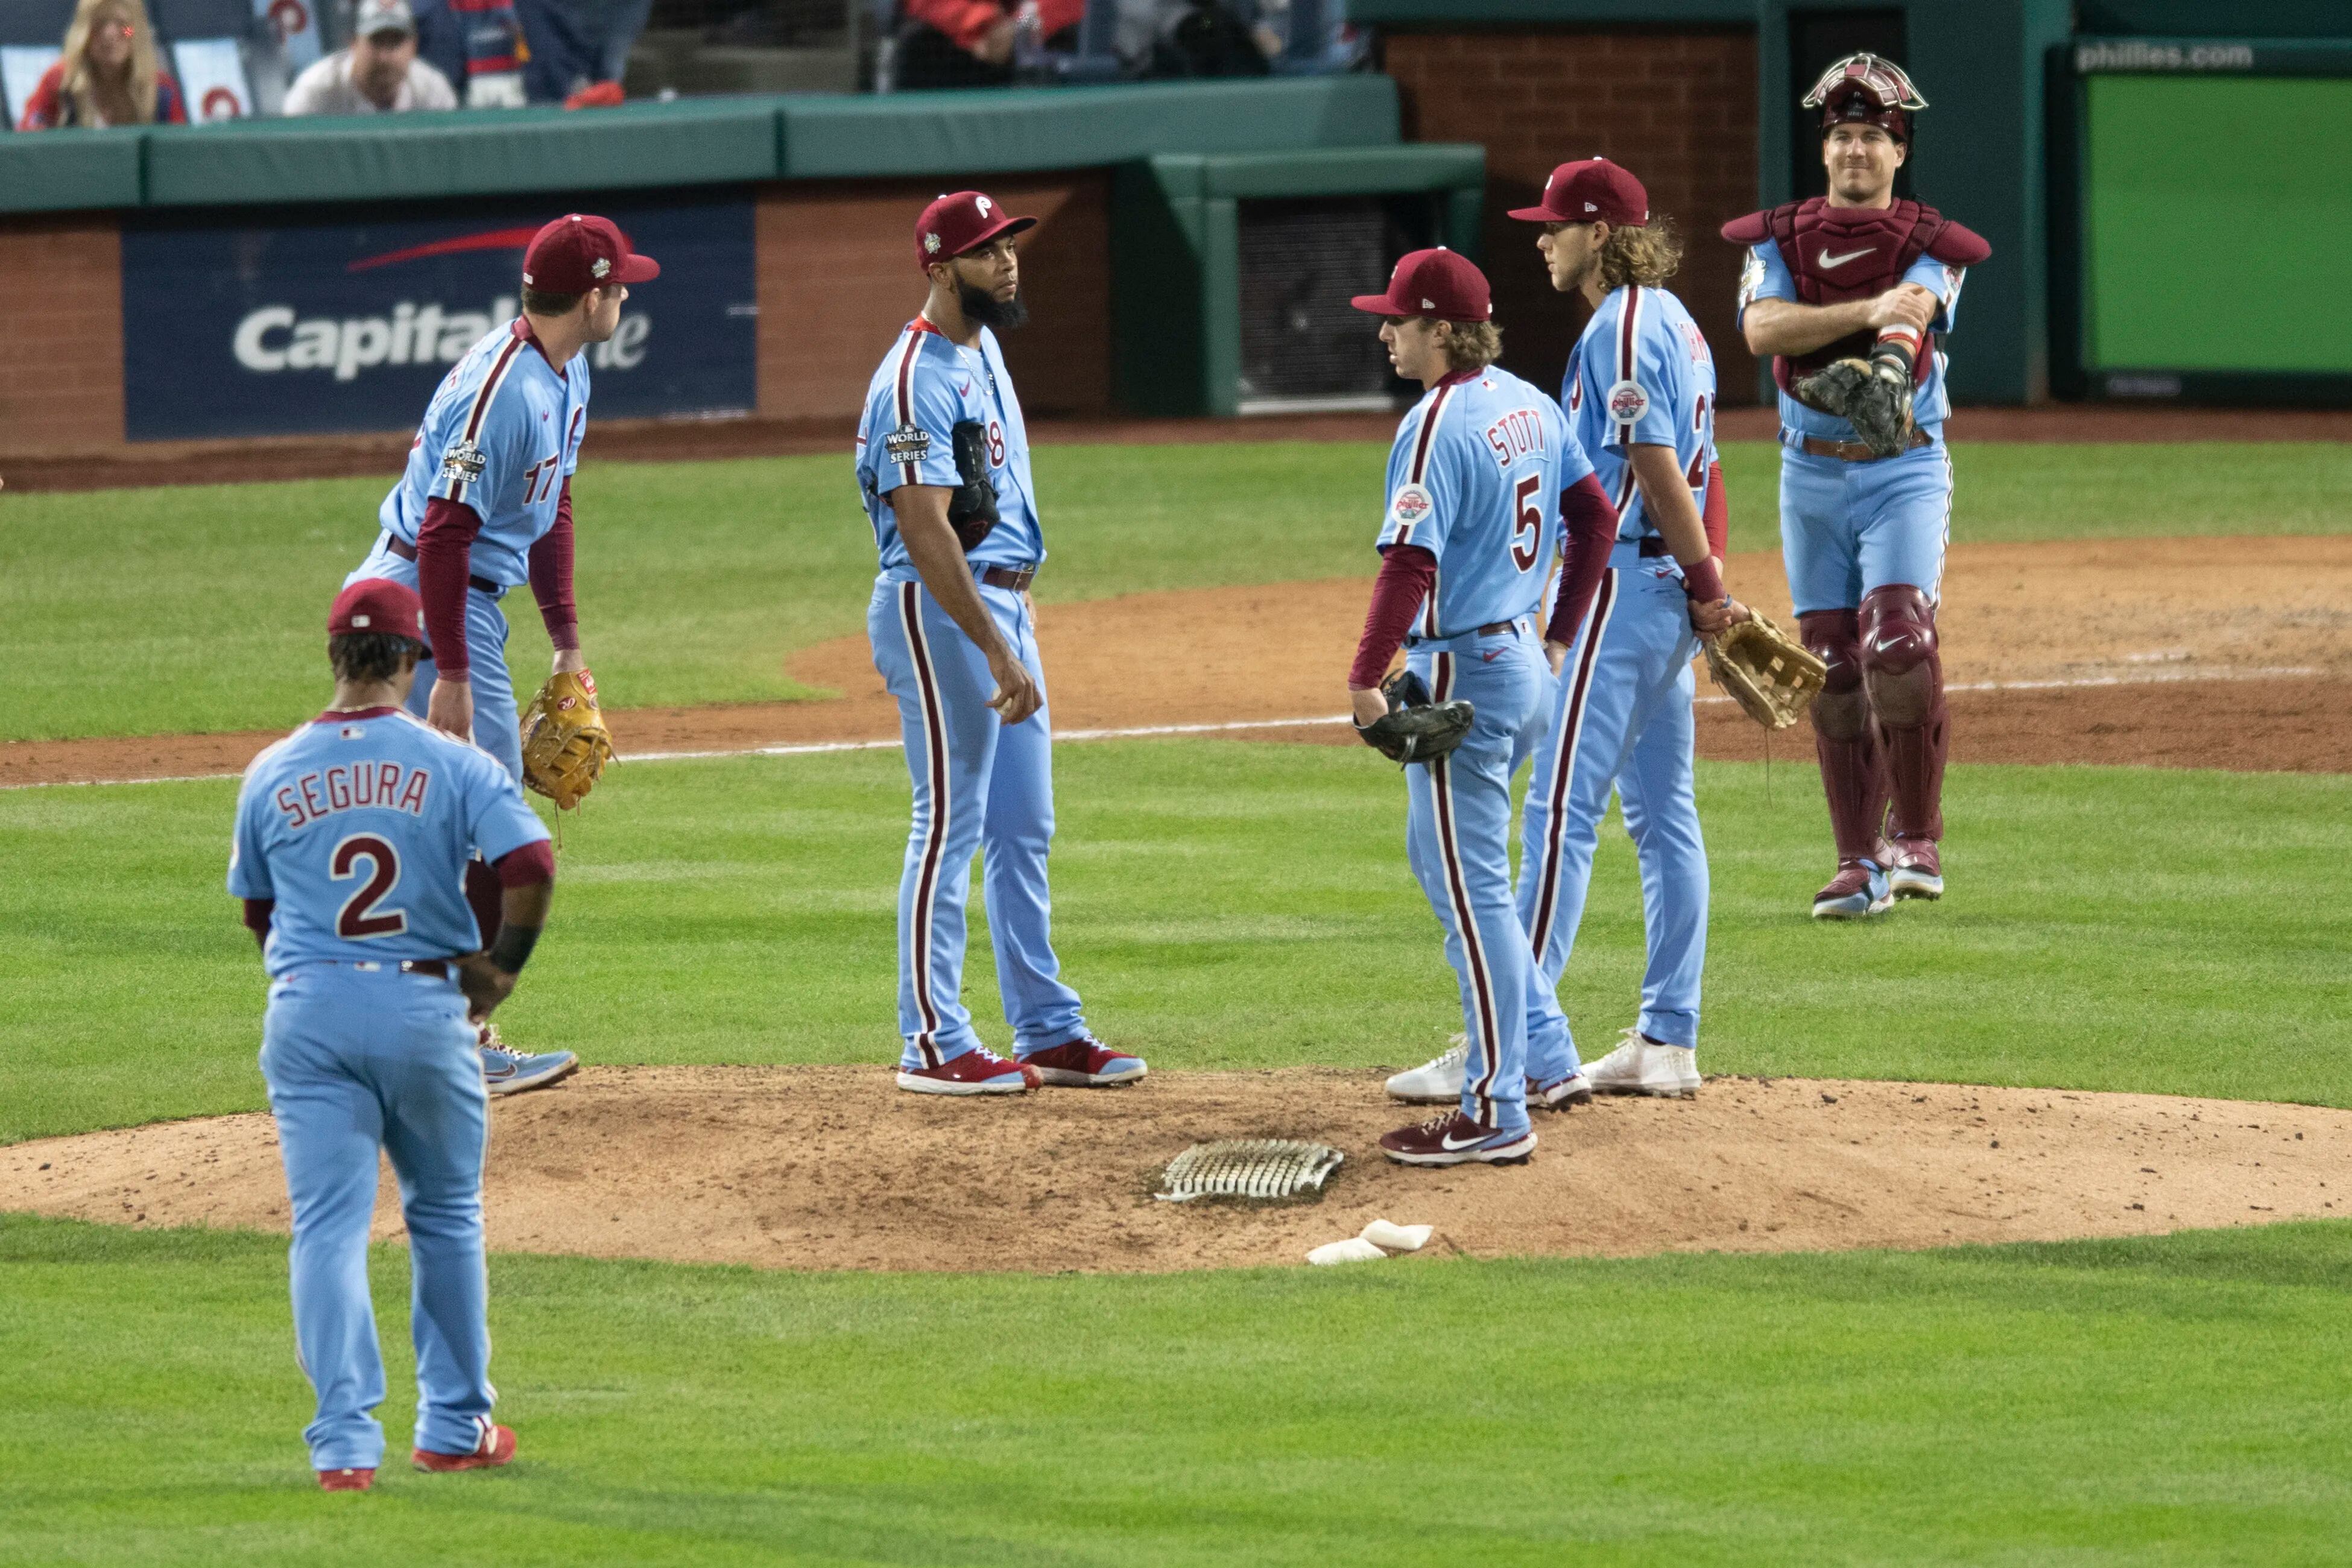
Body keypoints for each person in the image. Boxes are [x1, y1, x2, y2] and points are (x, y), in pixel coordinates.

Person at [230, 577, 555, 1491]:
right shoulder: (454, 762)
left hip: (308, 1014)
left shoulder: (272, 770)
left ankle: (341, 1445)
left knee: (327, 1229)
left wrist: (316, 974)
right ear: (411, 661)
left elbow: (260, 911)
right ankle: (454, 1426)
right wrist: (499, 971)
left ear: (334, 655)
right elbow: (530, 862)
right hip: (424, 1011)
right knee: (445, 1218)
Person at [344, 212, 652, 1095]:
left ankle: (411, 1028)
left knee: (444, 820)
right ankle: (456, 1038)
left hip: (453, 604)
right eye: (620, 283)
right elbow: (444, 534)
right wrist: (452, 675)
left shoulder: (568, 372)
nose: (626, 295)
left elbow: (551, 508)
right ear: (591, 296)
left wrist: (565, 640)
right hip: (419, 601)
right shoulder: (505, 390)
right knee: (482, 819)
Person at [856, 190, 1144, 1096]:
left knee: (1024, 827)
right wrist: (995, 647)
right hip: (942, 611)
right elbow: (925, 528)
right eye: (987, 252)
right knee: (947, 824)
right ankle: (932, 1041)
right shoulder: (913, 379)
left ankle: (1048, 1028)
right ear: (940, 268)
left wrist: (1011, 632)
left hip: (1002, 608)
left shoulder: (987, 352)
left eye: (1010, 244)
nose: (1009, 261)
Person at [1344, 248, 1602, 1167]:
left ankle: (1496, 1108)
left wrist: (1367, 677)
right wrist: (1562, 630)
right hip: (1522, 658)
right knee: (1444, 862)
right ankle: (1548, 1056)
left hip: (1463, 676)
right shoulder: (1530, 402)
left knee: (1473, 887)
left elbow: (1408, 563)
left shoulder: (1434, 422)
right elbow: (1595, 516)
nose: (1385, 333)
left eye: (1398, 321)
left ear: (1443, 332)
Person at [1722, 53, 1990, 918]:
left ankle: (1916, 835)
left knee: (1899, 640)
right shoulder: (1779, 238)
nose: (1854, 151)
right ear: (1824, 145)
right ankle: (1854, 860)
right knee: (1831, 667)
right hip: (1810, 470)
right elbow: (1763, 329)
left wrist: (1881, 342)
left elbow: (1913, 318)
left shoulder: (1929, 244)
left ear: (1898, 151)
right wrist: (1862, 314)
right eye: (1841, 135)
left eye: (1873, 136)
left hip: (1903, 467)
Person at [1511, 158, 1741, 1100]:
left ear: (1599, 233)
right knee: (1662, 818)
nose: (1542, 240)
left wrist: (1708, 590)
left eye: (1555, 225)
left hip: (1617, 591)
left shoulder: (1623, 327)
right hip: (1663, 598)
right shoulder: (1680, 323)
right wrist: (1703, 591)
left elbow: (1656, 467)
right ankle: (1666, 1041)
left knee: (1558, 810)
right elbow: (1711, 470)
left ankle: (1515, 1034)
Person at [14, 0, 185, 130]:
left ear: (136, 33)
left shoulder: (161, 89)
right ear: (83, 33)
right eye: (98, 25)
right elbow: (28, 145)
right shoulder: (60, 82)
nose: (109, 34)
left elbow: (177, 151)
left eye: (124, 26)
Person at [282, 0, 458, 116]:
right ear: (353, 43)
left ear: (413, 46)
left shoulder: (432, 90)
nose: (384, 57)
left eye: (395, 43)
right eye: (376, 42)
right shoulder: (315, 92)